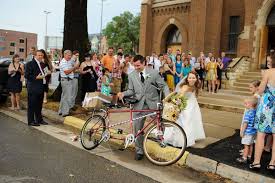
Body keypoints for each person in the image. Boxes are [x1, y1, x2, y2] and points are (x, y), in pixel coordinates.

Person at [117, 55, 170, 161]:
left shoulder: (154, 72)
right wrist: (123, 93)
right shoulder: (131, 75)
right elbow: (131, 90)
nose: (136, 67)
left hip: (153, 103)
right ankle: (139, 150)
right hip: (139, 104)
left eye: (138, 65)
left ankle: (160, 140)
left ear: (144, 63)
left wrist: (167, 98)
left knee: (159, 124)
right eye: (134, 65)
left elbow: (163, 86)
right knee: (138, 129)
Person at [164, 71, 206, 147]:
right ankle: (183, 139)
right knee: (186, 121)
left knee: (193, 120)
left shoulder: (196, 85)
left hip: (192, 104)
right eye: (190, 78)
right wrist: (173, 103)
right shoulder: (185, 86)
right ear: (187, 79)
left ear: (196, 79)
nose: (191, 79)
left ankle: (192, 136)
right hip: (186, 105)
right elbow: (178, 95)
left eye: (193, 78)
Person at [250, 53, 275, 170]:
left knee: (261, 134)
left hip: (267, 107)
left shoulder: (268, 73)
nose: (268, 63)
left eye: (269, 61)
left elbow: (260, 90)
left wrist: (258, 93)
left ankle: (256, 162)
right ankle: (272, 164)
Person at [25, 50, 49, 126]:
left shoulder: (43, 64)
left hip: (42, 87)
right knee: (32, 105)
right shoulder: (30, 64)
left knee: (39, 105)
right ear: (35, 55)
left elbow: (46, 73)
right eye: (39, 55)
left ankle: (39, 120)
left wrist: (49, 72)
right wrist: (36, 77)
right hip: (33, 88)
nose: (40, 57)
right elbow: (27, 76)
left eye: (41, 55)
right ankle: (31, 121)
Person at [237, 97, 258, 163]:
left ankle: (244, 158)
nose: (244, 105)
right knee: (251, 144)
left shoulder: (248, 113)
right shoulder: (255, 112)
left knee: (246, 145)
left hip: (247, 132)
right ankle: (249, 156)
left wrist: (242, 131)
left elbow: (245, 123)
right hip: (253, 132)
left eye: (246, 104)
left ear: (250, 105)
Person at [58, 50, 76, 117]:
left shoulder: (68, 61)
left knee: (64, 96)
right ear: (65, 55)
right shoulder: (63, 62)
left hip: (67, 80)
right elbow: (66, 72)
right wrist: (74, 67)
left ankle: (61, 111)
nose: (70, 56)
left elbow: (75, 61)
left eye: (70, 55)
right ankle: (65, 112)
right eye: (68, 55)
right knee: (67, 97)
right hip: (66, 80)